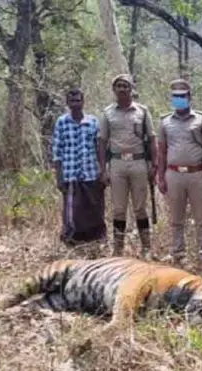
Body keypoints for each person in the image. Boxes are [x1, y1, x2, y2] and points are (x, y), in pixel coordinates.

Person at [157, 79, 202, 268]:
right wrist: (160, 177)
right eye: (175, 96)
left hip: (197, 174)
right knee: (176, 218)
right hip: (173, 175)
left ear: (189, 97)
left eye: (182, 96)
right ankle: (178, 253)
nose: (179, 99)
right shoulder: (165, 122)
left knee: (201, 217)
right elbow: (161, 151)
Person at [98, 74, 158, 259]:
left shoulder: (142, 111)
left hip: (139, 162)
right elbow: (101, 142)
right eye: (118, 86)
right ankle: (118, 248)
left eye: (126, 86)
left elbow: (153, 138)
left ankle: (146, 247)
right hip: (117, 164)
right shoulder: (108, 113)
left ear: (131, 89)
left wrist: (154, 165)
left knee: (140, 207)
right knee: (118, 208)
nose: (122, 89)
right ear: (114, 90)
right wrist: (103, 169)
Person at [52, 88, 107, 255]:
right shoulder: (62, 122)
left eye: (78, 100)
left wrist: (103, 171)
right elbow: (57, 151)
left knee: (94, 209)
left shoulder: (92, 122)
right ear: (67, 103)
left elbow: (99, 148)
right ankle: (72, 245)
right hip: (70, 174)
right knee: (72, 212)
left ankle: (95, 242)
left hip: (90, 172)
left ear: (83, 102)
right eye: (72, 101)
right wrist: (59, 176)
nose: (75, 104)